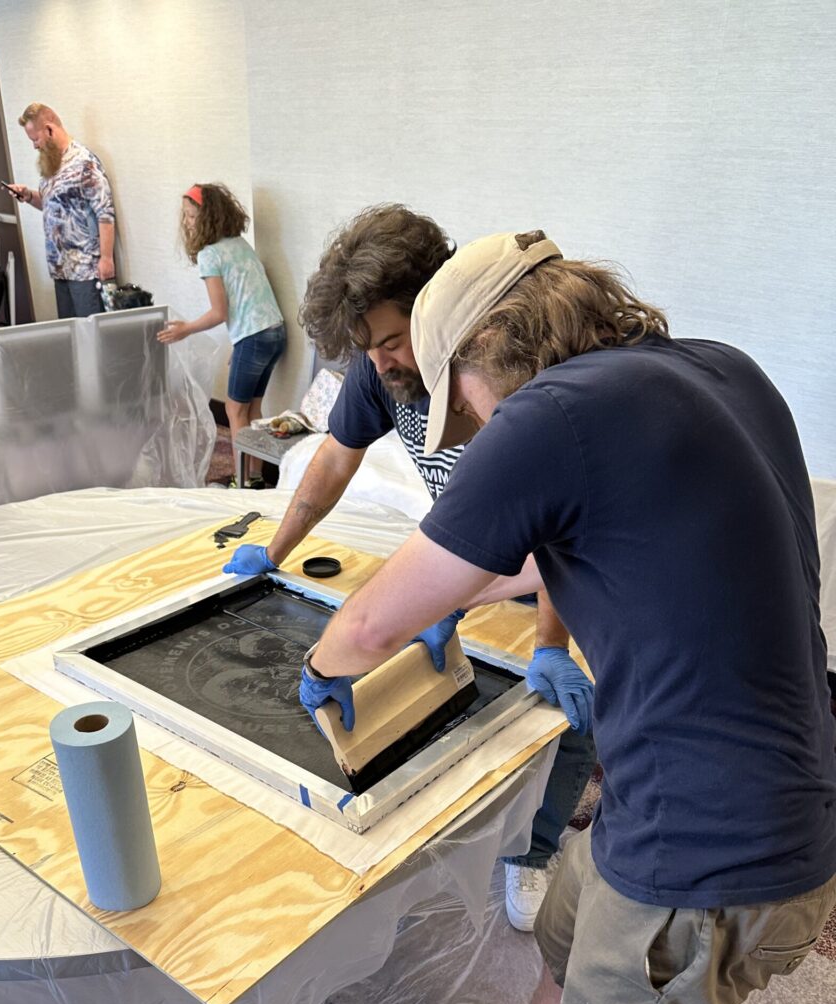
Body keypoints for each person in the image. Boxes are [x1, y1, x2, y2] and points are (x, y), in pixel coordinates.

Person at [298, 230, 836, 1004]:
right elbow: (588, 552)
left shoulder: (553, 412)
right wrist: (452, 599)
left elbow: (370, 628)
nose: (476, 423)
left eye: (466, 401)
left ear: (488, 344)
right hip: (734, 794)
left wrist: (321, 663)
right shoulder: (719, 367)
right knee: (560, 940)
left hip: (710, 853)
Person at [223, 205, 596, 929]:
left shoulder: (510, 375)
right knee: (447, 696)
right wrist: (276, 548)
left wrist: (549, 643)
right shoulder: (382, 371)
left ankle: (535, 849)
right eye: (367, 349)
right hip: (471, 563)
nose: (382, 363)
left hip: (564, 571)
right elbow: (334, 457)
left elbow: (561, 535)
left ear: (443, 315)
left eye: (393, 341)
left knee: (566, 715)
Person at [158, 183, 286, 487]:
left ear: (209, 218)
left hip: (254, 337)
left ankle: (244, 483)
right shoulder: (239, 244)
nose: (187, 223)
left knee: (233, 410)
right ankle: (255, 477)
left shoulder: (209, 255)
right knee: (253, 409)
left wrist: (185, 330)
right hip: (274, 332)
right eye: (185, 216)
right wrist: (239, 345)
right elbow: (250, 300)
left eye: (191, 216)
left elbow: (219, 312)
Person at [6, 103, 115, 319]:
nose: (35, 146)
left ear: (49, 129)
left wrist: (106, 258)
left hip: (86, 270)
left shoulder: (84, 163)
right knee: (72, 334)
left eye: (35, 139)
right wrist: (28, 196)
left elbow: (105, 212)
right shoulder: (53, 165)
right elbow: (54, 205)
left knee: (92, 336)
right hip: (60, 268)